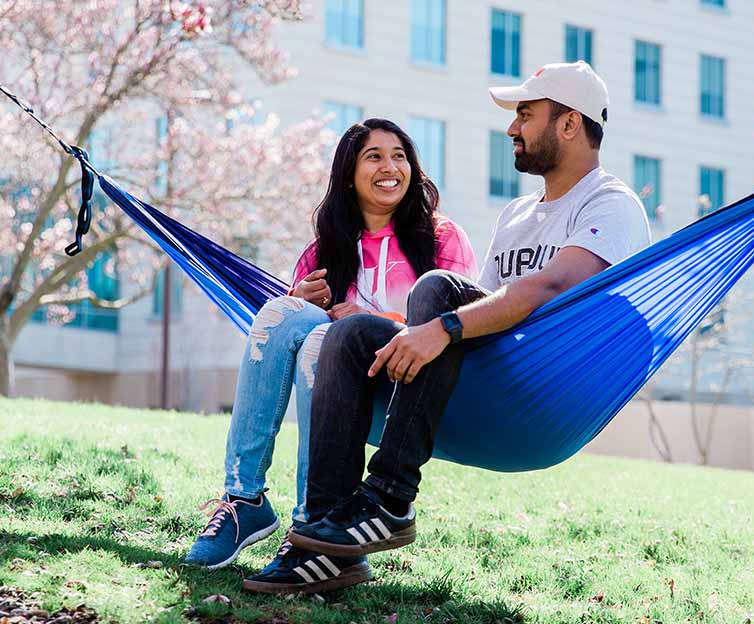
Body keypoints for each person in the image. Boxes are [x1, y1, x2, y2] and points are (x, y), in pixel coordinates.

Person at [253, 61, 652, 593]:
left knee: (438, 289)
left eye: (526, 115)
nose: (512, 128)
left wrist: (439, 325)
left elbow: (553, 288)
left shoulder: (611, 203)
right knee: (348, 337)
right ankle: (325, 543)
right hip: (479, 380)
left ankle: (390, 497)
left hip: (546, 394)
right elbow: (482, 308)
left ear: (570, 124)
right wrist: (412, 327)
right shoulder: (515, 215)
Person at [183, 118, 477, 583]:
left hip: (404, 378)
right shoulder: (325, 251)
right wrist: (300, 298)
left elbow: (447, 325)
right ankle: (243, 499)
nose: (390, 166)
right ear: (348, 174)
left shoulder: (442, 239)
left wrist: (365, 319)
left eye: (399, 155)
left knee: (328, 338)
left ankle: (311, 523)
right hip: (334, 381)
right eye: (374, 156)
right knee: (282, 313)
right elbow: (288, 329)